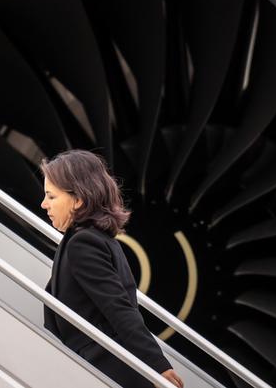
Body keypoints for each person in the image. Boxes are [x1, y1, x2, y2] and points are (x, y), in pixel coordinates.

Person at [41, 149, 184, 388]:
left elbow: (118, 307)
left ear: (78, 200)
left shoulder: (83, 243)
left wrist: (158, 365)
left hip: (108, 370)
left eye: (51, 197)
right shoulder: (93, 239)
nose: (43, 204)